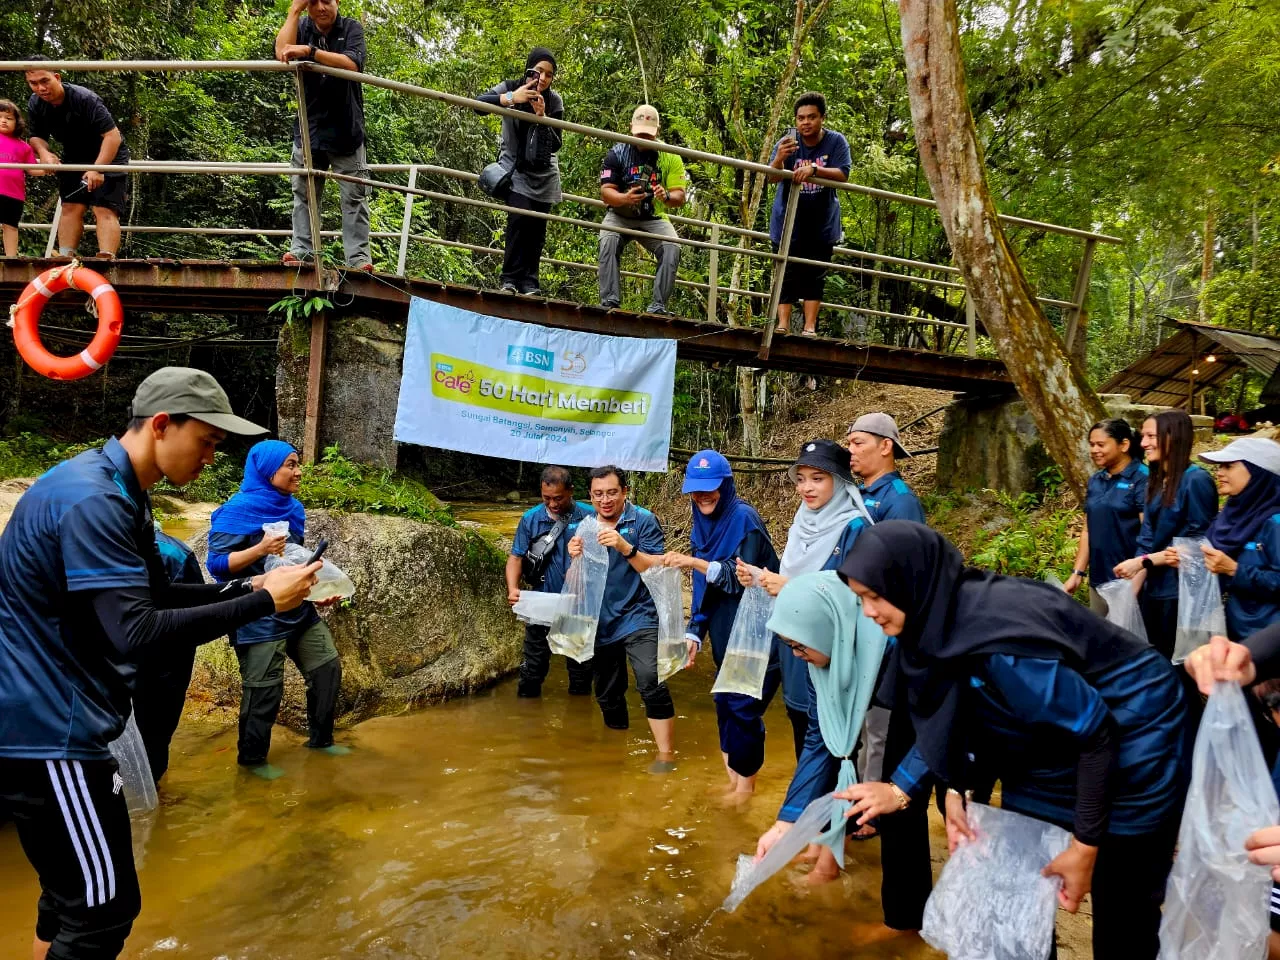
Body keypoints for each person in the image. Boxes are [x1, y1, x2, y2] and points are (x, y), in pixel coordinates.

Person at [0, 367, 319, 960]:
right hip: (49, 731)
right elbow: (137, 633)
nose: (211, 459)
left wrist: (254, 587)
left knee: (72, 904)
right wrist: (262, 601)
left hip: (53, 722)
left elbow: (156, 597)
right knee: (103, 916)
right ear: (162, 425)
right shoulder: (93, 500)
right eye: (207, 442)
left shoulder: (122, 492)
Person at [838, 521, 1190, 959]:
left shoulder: (998, 641)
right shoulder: (936, 619)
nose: (869, 612)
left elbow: (1096, 735)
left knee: (1122, 895)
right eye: (860, 600)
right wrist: (932, 786)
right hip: (1045, 743)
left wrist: (1084, 845)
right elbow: (958, 709)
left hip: (1136, 735)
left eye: (876, 596)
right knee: (1014, 887)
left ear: (912, 581)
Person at [207, 440, 346, 778]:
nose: (298, 472)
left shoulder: (293, 508)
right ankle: (252, 764)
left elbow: (290, 559)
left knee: (327, 669)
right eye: (290, 465)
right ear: (268, 470)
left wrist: (319, 589)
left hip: (298, 610)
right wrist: (260, 548)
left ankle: (321, 742)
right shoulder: (236, 510)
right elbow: (218, 565)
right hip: (258, 614)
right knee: (264, 690)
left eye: (297, 464)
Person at [659, 451, 779, 795]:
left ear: (726, 486)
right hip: (727, 633)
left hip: (760, 632)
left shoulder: (744, 520)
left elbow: (737, 575)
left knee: (743, 707)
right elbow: (703, 586)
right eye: (696, 490)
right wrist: (695, 629)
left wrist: (692, 561)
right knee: (724, 702)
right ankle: (734, 785)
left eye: (710, 488)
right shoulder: (702, 520)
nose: (702, 496)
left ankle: (746, 790)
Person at [753, 572, 886, 875]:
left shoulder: (888, 650)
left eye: (801, 646)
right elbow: (822, 738)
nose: (798, 656)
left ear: (826, 630)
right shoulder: (820, 666)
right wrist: (785, 824)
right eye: (791, 648)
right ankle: (827, 863)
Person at [566, 466, 693, 769]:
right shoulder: (582, 527)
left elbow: (657, 567)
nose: (605, 500)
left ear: (624, 492)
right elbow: (575, 580)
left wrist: (625, 547)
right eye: (598, 494)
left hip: (640, 613)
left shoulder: (643, 520)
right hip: (601, 619)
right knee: (607, 693)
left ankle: (665, 755)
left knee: (650, 678)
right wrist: (573, 559)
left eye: (612, 492)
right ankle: (616, 752)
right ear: (590, 496)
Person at [275, 0, 372, 271]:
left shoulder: (351, 28)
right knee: (304, 193)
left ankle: (358, 260)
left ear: (337, 2)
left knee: (354, 196)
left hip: (346, 130)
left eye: (326, 1)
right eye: (313, 2)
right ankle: (302, 251)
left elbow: (353, 63)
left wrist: (311, 52)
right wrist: (293, 10)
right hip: (309, 128)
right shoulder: (301, 25)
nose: (321, 7)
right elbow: (281, 51)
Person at [1113, 410, 1218, 658]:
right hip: (1154, 588)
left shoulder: (1196, 480)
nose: (1144, 443)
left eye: (1151, 436)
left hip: (1182, 592)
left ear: (1175, 436)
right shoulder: (1157, 479)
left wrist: (1142, 562)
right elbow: (1147, 537)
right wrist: (1132, 587)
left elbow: (1199, 542)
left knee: (1181, 666)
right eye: (1143, 436)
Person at [475, 48, 563, 295]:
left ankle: (530, 283)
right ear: (528, 69)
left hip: (544, 174)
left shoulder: (554, 101)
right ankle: (510, 280)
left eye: (549, 74)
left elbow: (557, 143)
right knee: (518, 220)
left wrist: (542, 116)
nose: (542, 78)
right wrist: (511, 98)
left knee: (536, 230)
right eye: (538, 71)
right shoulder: (511, 86)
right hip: (516, 171)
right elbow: (478, 105)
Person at [765, 92, 851, 336]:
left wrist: (815, 169)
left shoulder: (835, 142)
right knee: (785, 272)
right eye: (801, 118)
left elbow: (843, 173)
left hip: (821, 222)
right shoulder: (787, 142)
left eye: (811, 117)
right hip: (787, 220)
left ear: (822, 117)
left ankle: (809, 327)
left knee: (815, 274)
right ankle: (782, 325)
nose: (805, 123)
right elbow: (772, 177)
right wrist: (780, 158)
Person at [24, 62, 129, 259]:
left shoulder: (84, 98)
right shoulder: (36, 103)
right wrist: (45, 154)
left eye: (44, 81)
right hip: (74, 155)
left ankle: (106, 259)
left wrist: (97, 169)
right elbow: (37, 137)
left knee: (103, 207)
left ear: (57, 77)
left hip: (109, 153)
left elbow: (112, 136)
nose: (41, 88)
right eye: (33, 83)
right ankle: (65, 257)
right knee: (70, 205)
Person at [506, 465, 594, 697]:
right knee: (532, 667)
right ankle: (527, 717)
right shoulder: (530, 518)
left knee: (580, 670)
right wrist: (513, 588)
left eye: (559, 498)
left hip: (579, 604)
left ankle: (578, 719)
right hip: (541, 601)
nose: (553, 504)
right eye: (547, 498)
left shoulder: (589, 516)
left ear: (571, 491)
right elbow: (516, 557)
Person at [130, 525, 207, 784]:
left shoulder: (84, 544)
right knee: (155, 735)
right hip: (165, 661)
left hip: (111, 661)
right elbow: (193, 617)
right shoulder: (175, 552)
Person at [597, 104, 688, 315]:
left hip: (653, 216)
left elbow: (679, 196)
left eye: (648, 135)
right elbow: (605, 192)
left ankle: (658, 305)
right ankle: (610, 302)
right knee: (608, 240)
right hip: (619, 214)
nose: (643, 140)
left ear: (657, 131)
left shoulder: (670, 155)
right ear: (631, 128)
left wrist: (665, 196)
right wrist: (624, 198)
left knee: (672, 246)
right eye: (640, 135)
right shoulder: (617, 153)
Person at [1196, 436, 1280, 641]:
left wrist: (1234, 570)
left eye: (1229, 466)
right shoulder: (1232, 515)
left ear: (1258, 472)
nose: (1220, 473)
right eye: (1220, 467)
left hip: (1267, 640)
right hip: (1231, 630)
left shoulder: (1275, 522)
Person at [1063, 418, 1148, 614]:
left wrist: (1136, 580)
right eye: (1092, 445)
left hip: (1130, 582)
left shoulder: (1143, 479)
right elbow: (1087, 530)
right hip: (1099, 581)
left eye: (1101, 444)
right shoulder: (1096, 480)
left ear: (1124, 445)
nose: (1094, 450)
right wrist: (1078, 573)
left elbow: (1149, 536)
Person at [0, 99, 39, 257]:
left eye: (8, 118)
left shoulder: (24, 146)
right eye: (0, 117)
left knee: (10, 225)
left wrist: (51, 168)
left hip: (14, 194)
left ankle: (11, 258)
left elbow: (33, 169)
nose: (3, 120)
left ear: (17, 123)